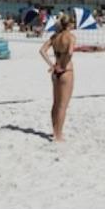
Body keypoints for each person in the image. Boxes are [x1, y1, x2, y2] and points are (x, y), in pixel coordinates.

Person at [39, 12, 76, 142]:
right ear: (70, 24)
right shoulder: (70, 37)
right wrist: (63, 65)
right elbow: (70, 53)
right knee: (63, 106)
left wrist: (52, 65)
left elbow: (42, 50)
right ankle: (58, 135)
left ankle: (55, 131)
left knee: (55, 104)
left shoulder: (55, 36)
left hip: (55, 71)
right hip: (66, 71)